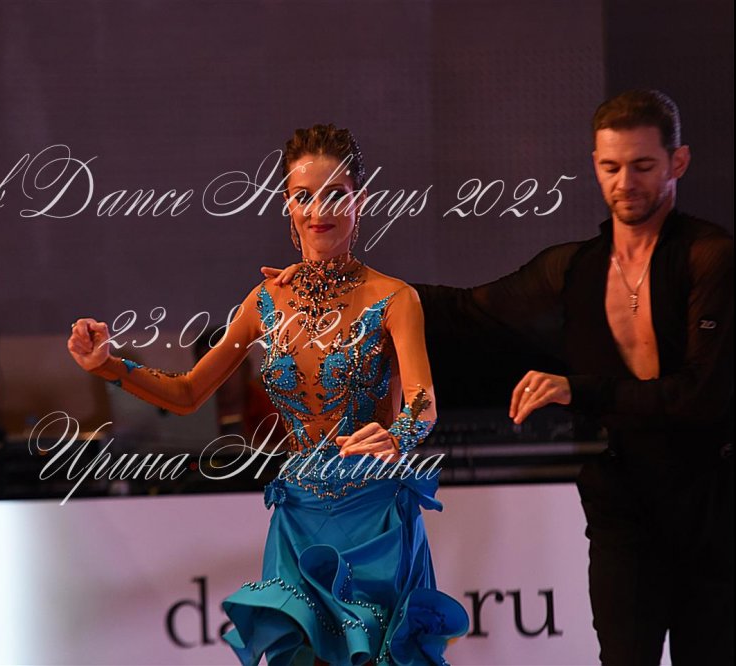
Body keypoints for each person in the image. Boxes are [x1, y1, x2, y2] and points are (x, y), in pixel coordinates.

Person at [267, 90, 734, 664]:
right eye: (612, 167)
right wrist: (328, 284)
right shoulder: (576, 267)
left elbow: (702, 395)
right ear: (595, 164)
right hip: (625, 504)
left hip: (713, 505)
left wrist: (575, 388)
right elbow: (466, 309)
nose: (625, 182)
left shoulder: (711, 257)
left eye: (643, 166)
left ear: (677, 162)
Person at [68, 125, 468, 665]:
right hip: (298, 519)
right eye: (304, 196)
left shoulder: (396, 299)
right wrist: (107, 364)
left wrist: (398, 434)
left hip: (374, 519)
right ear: (287, 204)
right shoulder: (265, 302)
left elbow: (423, 402)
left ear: (361, 200)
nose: (319, 210)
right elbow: (188, 393)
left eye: (335, 194)